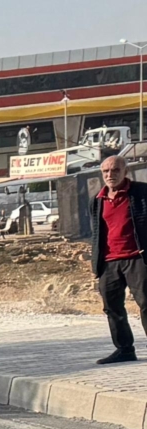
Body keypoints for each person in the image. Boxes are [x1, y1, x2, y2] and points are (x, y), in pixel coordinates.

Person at [83, 146, 146, 365]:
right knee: (112, 307)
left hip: (138, 258)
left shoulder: (141, 192)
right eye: (106, 171)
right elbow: (97, 233)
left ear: (125, 171)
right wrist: (96, 262)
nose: (110, 174)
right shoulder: (97, 200)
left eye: (115, 170)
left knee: (146, 303)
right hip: (109, 261)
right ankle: (124, 349)